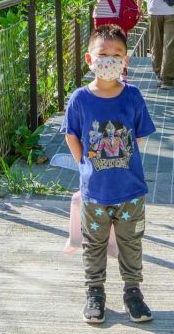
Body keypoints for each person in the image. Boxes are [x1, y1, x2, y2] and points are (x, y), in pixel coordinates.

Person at [62, 24, 157, 324]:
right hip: (95, 193)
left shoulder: (133, 96)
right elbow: (71, 135)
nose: (110, 60)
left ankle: (133, 292)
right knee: (94, 243)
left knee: (132, 242)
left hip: (131, 191)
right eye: (103, 54)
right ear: (89, 60)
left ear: (126, 60)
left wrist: (125, 160)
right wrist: (84, 165)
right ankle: (95, 292)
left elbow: (139, 136)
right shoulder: (79, 99)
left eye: (117, 55)